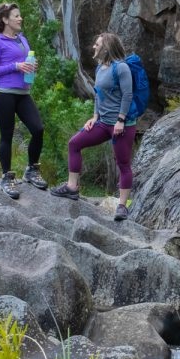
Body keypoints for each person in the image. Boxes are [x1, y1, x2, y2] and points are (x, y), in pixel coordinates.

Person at [50, 32, 138, 221]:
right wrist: (94, 116)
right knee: (74, 143)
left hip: (121, 125)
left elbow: (127, 95)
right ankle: (72, 187)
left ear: (106, 48)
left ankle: (122, 206)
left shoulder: (121, 68)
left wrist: (121, 120)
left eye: (97, 45)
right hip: (103, 123)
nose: (94, 47)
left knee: (122, 163)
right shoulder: (100, 68)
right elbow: (98, 95)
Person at [0, 2, 46, 199]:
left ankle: (32, 170)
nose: (20, 19)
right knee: (7, 135)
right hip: (3, 94)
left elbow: (24, 62)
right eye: (16, 16)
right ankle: (6, 178)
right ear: (5, 20)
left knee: (38, 129)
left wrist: (31, 66)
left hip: (23, 93)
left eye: (20, 15)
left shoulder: (22, 40)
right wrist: (16, 66)